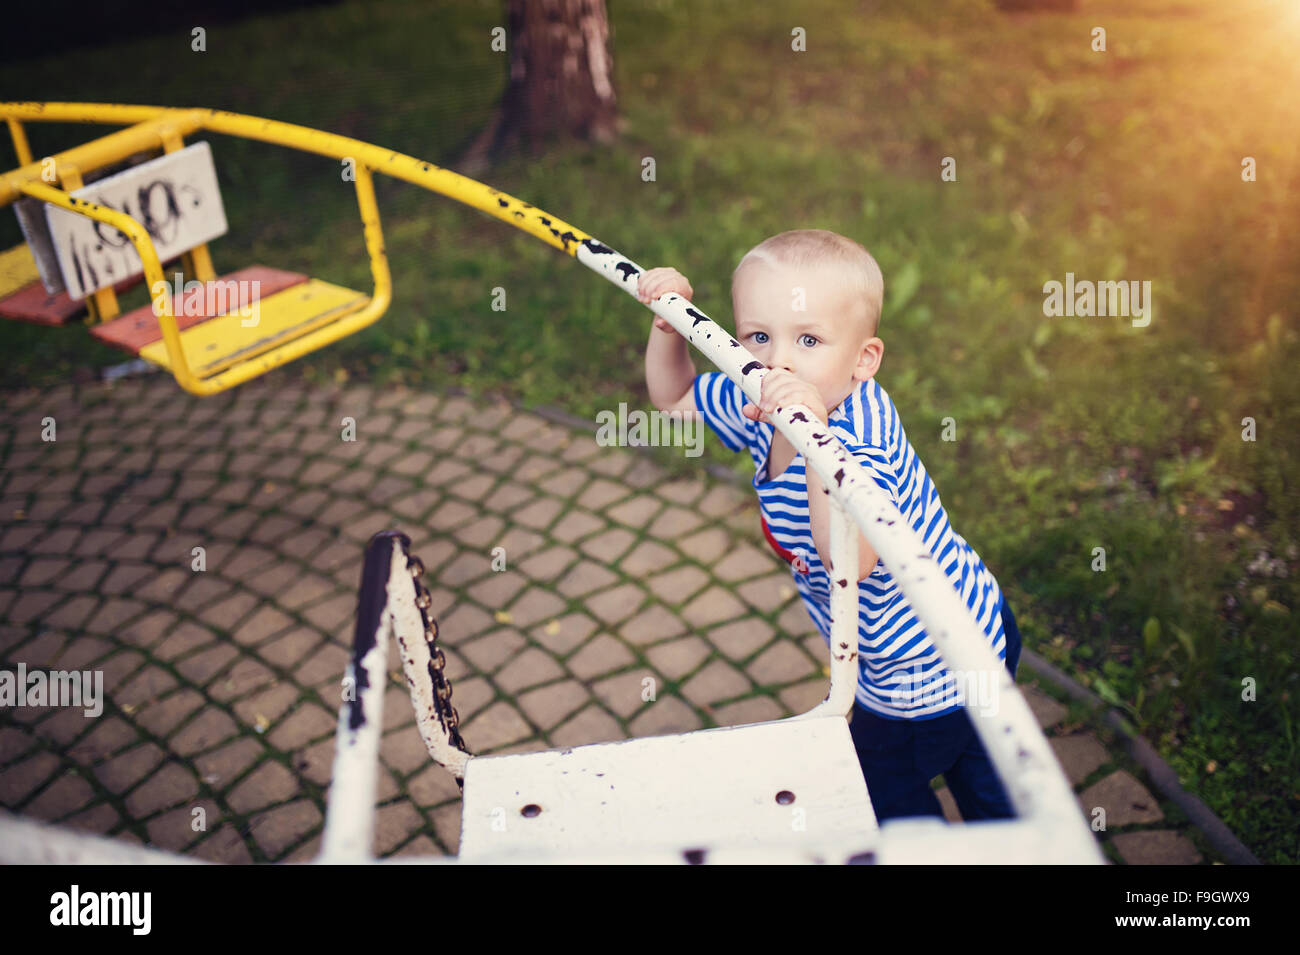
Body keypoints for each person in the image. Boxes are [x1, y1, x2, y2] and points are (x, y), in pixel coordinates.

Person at [640, 228, 1022, 823]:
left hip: (924, 668)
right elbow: (676, 399)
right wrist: (670, 329)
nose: (778, 360)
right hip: (967, 628)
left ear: (863, 360)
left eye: (809, 339)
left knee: (879, 795)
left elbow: (851, 560)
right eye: (759, 336)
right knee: (984, 773)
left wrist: (817, 439)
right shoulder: (764, 400)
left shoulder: (857, 442)